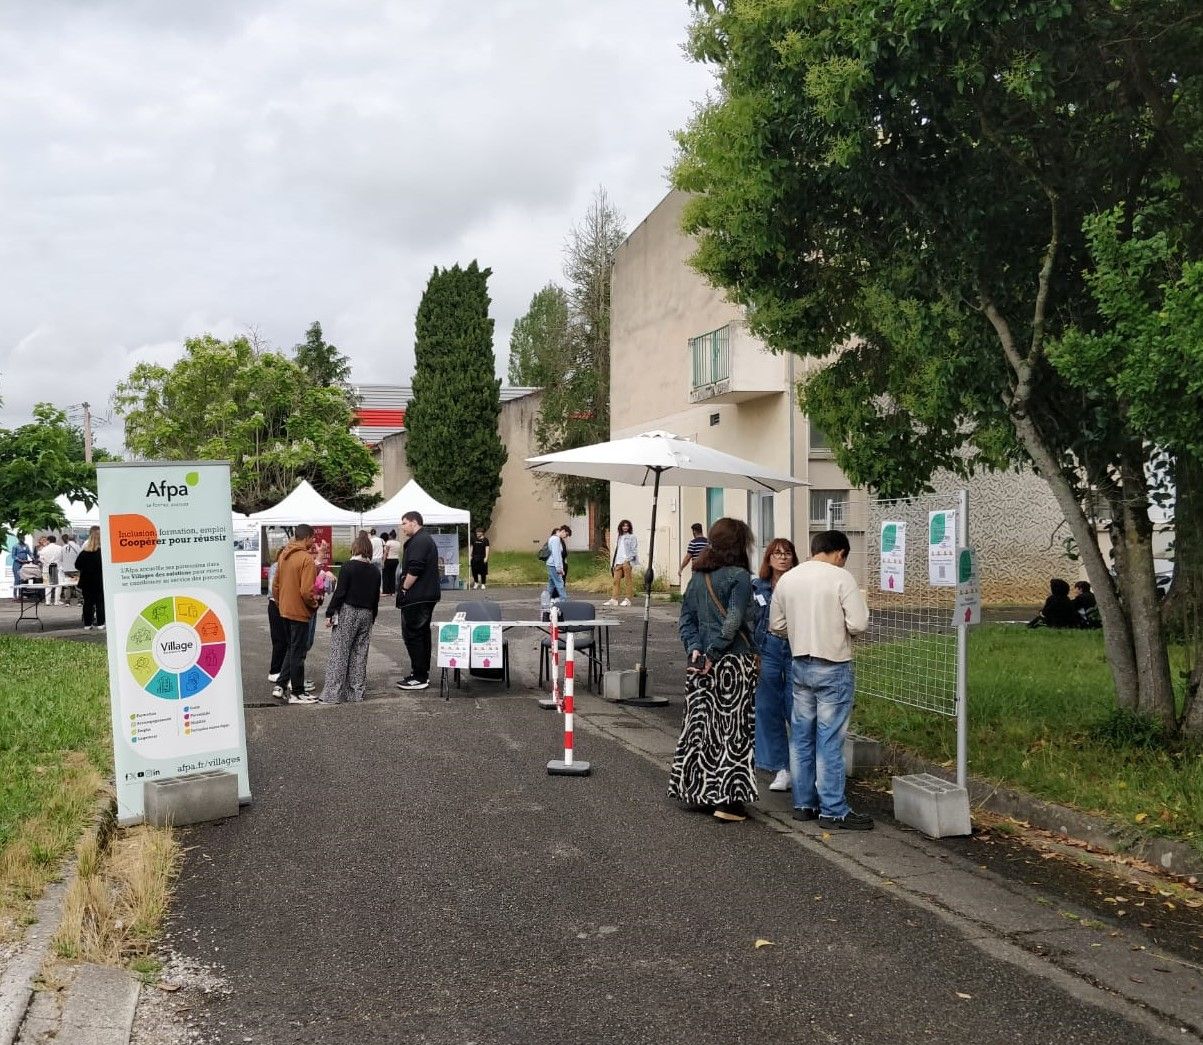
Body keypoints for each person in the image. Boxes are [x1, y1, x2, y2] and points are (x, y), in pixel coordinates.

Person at [770, 529, 871, 830]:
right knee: (829, 740)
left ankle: (804, 804)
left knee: (800, 737)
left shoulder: (788, 579)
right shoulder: (841, 578)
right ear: (840, 554)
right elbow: (859, 623)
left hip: (799, 663)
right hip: (834, 665)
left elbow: (776, 625)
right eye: (844, 558)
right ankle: (833, 809)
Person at [670, 517, 760, 823]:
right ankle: (729, 801)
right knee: (734, 730)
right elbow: (734, 620)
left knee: (701, 728)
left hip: (700, 666)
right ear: (740, 544)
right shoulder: (739, 577)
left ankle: (698, 790)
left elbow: (686, 620)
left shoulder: (698, 576)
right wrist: (715, 652)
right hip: (733, 662)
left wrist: (696, 650)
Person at [752, 538, 800, 793]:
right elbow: (751, 620)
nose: (782, 558)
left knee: (796, 706)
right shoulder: (757, 586)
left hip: (795, 647)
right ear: (768, 558)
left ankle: (801, 766)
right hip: (767, 647)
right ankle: (781, 767)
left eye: (787, 553)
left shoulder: (801, 583)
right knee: (767, 706)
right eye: (777, 553)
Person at [320, 531, 381, 704]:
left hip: (348, 611)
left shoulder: (348, 567)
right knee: (360, 654)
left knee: (340, 651)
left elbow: (340, 593)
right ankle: (356, 693)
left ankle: (333, 694)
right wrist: (373, 616)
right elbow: (375, 597)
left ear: (355, 549)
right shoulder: (375, 571)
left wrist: (330, 613)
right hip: (367, 614)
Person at [271, 524, 320, 704]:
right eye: (313, 538)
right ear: (307, 538)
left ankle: (281, 684)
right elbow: (307, 591)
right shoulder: (306, 559)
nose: (314, 541)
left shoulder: (284, 555)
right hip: (299, 611)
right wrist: (314, 604)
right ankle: (297, 693)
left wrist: (280, 603)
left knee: (291, 649)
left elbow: (275, 585)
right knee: (298, 652)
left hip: (284, 609)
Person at [395, 511, 442, 691]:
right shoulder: (422, 540)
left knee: (414, 635)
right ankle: (420, 673)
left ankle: (419, 676)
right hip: (423, 595)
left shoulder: (420, 541)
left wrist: (404, 589)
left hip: (418, 596)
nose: (402, 526)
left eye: (404, 523)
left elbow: (415, 568)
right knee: (421, 634)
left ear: (414, 522)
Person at [75, 526, 105, 630]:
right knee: (100, 602)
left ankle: (87, 624)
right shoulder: (102, 553)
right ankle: (101, 623)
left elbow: (77, 565)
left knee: (88, 603)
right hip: (99, 581)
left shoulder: (84, 553)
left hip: (86, 581)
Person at [604, 519, 638, 607]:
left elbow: (634, 550)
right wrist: (615, 563)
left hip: (627, 562)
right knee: (615, 581)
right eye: (624, 526)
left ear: (629, 527)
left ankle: (628, 599)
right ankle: (614, 599)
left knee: (628, 581)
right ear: (621, 527)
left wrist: (628, 560)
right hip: (618, 562)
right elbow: (618, 551)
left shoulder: (632, 537)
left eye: (627, 526)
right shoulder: (619, 537)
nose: (625, 527)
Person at [266, 553, 288, 684]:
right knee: (279, 640)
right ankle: (275, 671)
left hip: (280, 604)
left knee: (284, 640)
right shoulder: (276, 567)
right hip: (276, 604)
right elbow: (273, 589)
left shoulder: (280, 566)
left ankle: (281, 670)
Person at [545, 525, 571, 601]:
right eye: (566, 535)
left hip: (551, 564)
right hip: (554, 565)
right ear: (563, 531)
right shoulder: (556, 539)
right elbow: (556, 555)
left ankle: (547, 600)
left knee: (551, 584)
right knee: (560, 583)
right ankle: (564, 601)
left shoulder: (552, 538)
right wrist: (559, 568)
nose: (565, 537)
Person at [38, 534, 64, 606]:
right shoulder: (60, 548)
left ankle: (48, 601)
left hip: (46, 568)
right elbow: (62, 558)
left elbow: (40, 558)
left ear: (48, 541)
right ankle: (56, 601)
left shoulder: (44, 549)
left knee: (47, 585)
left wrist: (46, 563)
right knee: (58, 585)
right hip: (57, 568)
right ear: (55, 540)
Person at [59, 532, 80, 605]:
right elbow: (80, 557)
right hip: (76, 569)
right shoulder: (77, 547)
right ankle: (80, 601)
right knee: (77, 586)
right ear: (74, 539)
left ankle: (67, 601)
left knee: (67, 586)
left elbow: (61, 559)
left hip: (66, 569)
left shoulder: (63, 547)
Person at [382, 530, 401, 595]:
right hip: (396, 560)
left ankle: (386, 592)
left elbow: (386, 553)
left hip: (389, 560)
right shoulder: (398, 543)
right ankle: (392, 591)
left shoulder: (388, 542)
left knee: (386, 576)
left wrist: (383, 562)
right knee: (392, 575)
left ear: (390, 536)